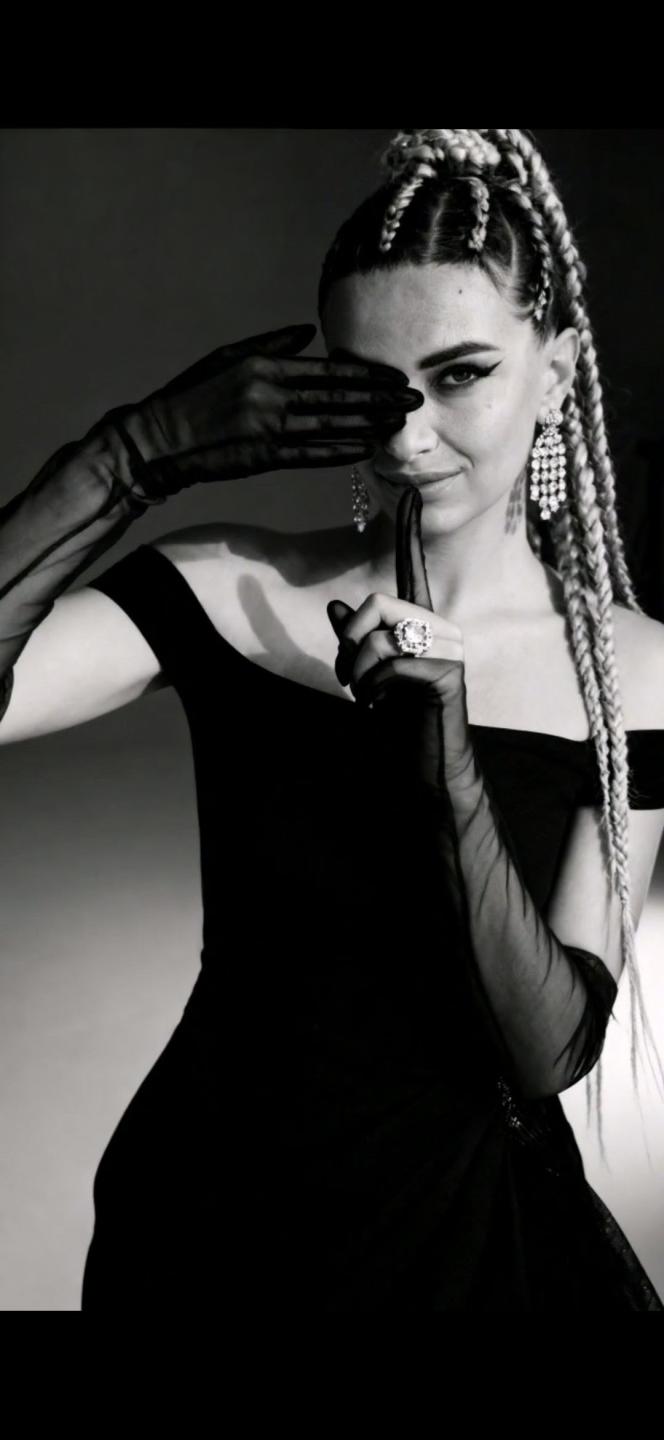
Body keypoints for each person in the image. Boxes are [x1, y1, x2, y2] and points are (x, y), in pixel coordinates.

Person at [1, 126, 663, 1311]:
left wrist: (446, 764)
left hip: (471, 1257)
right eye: (374, 388)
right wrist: (129, 459)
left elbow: (550, 1050)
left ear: (558, 370)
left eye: (460, 375)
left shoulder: (642, 673)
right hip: (205, 1236)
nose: (407, 436)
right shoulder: (227, 588)